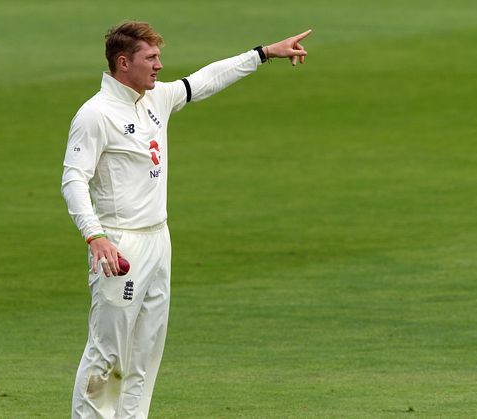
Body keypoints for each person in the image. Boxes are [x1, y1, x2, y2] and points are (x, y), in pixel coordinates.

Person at [61, 21, 311, 418]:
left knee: (145, 351)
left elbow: (204, 80)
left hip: (159, 241)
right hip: (120, 245)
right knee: (108, 353)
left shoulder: (155, 98)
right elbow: (73, 179)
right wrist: (96, 236)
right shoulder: (96, 114)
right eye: (151, 58)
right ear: (124, 63)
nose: (160, 65)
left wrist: (263, 53)